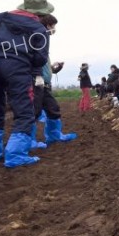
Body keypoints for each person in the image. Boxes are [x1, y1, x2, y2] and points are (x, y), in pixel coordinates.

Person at [0, 0, 51, 168]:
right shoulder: (39, 30)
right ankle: (15, 156)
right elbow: (40, 59)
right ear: (40, 13)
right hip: (17, 69)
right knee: (24, 112)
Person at [32, 14, 76, 147]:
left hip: (45, 84)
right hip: (36, 83)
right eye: (53, 25)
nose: (54, 28)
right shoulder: (38, 38)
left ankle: (54, 136)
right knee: (34, 112)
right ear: (47, 25)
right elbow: (34, 63)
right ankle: (28, 142)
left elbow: (45, 68)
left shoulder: (43, 42)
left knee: (53, 109)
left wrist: (56, 68)